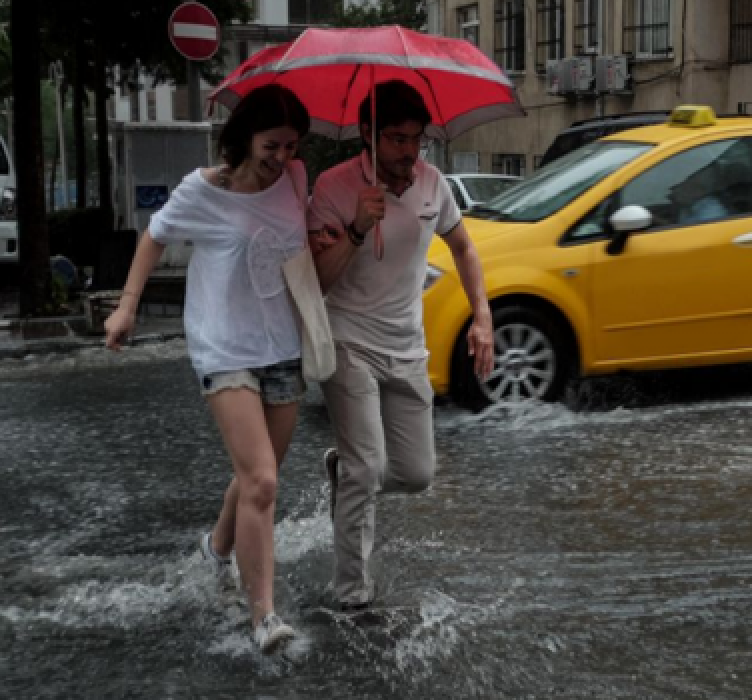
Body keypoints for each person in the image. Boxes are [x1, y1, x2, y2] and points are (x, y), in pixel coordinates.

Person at [103, 84, 311, 653]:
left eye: (292, 146)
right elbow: (154, 238)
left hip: (284, 346)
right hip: (224, 349)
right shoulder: (204, 189)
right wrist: (127, 305)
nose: (282, 158)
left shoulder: (295, 181)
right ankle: (263, 616)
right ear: (245, 137)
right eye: (273, 144)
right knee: (262, 481)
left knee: (256, 477)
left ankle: (216, 548)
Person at [307, 80, 494, 612]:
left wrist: (483, 317)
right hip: (348, 341)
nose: (409, 152)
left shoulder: (434, 185)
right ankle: (353, 597)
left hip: (407, 347)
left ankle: (344, 476)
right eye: (395, 139)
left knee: (415, 474)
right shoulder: (335, 188)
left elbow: (464, 247)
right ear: (368, 137)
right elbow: (318, 279)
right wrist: (357, 229)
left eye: (417, 140)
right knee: (367, 468)